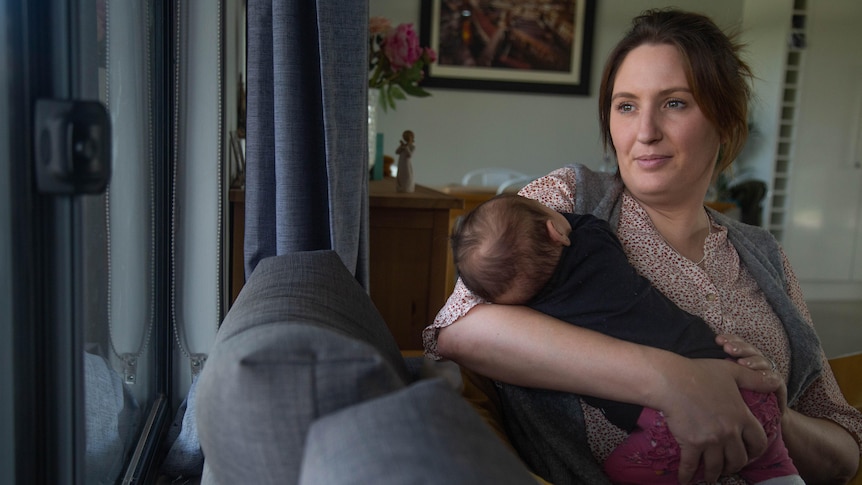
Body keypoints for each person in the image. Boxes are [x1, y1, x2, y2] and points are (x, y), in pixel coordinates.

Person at [424, 8, 862, 484]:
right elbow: (459, 330)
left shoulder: (764, 254)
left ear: (726, 115)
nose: (645, 131)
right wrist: (673, 381)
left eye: (675, 103)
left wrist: (769, 414)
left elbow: (844, 451)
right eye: (626, 105)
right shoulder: (570, 200)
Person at [451, 193, 801, 483]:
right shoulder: (596, 242)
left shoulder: (537, 314)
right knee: (772, 463)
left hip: (667, 422)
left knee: (622, 471)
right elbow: (581, 224)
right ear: (556, 230)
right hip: (737, 370)